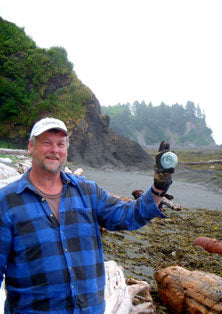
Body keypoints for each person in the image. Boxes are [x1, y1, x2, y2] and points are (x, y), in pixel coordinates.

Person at [0, 117, 172, 312]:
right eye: (47, 143)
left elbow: (128, 216)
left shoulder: (86, 191)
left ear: (66, 149)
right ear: (31, 146)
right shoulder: (7, 201)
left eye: (60, 144)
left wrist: (159, 186)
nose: (54, 150)